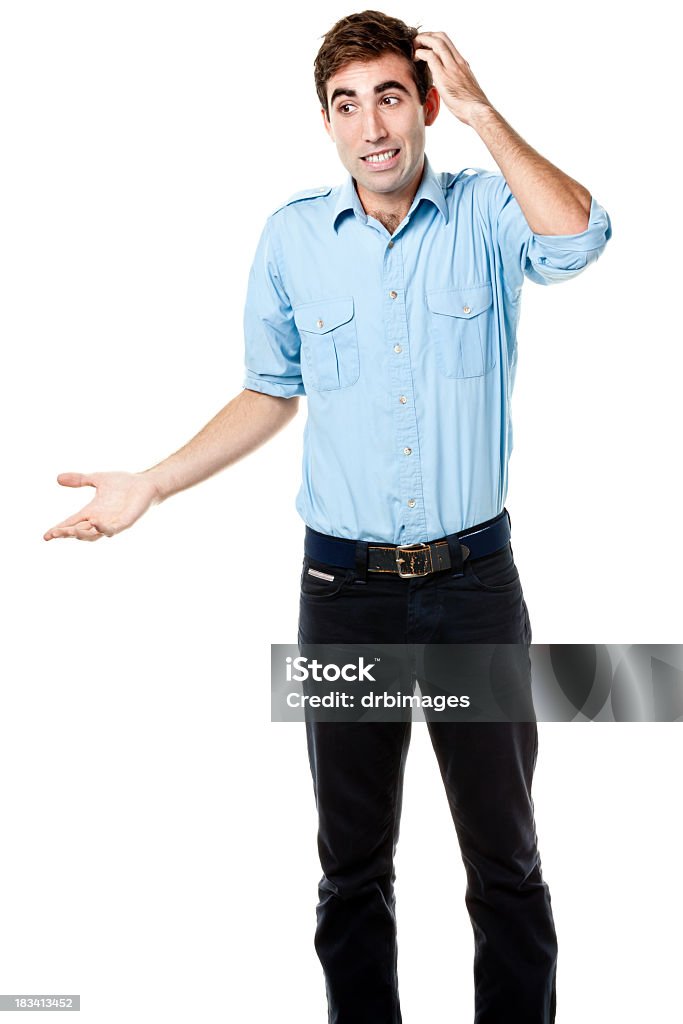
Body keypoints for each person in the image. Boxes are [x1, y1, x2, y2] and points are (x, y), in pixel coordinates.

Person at [44, 10, 611, 1023]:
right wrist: (153, 482)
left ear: (424, 103)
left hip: (473, 590)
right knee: (350, 872)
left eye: (389, 96)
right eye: (345, 106)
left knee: (506, 866)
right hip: (342, 596)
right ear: (327, 122)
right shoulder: (292, 238)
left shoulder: (483, 215)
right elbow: (269, 390)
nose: (370, 127)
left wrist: (484, 114)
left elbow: (577, 236)